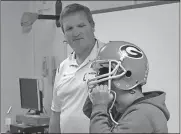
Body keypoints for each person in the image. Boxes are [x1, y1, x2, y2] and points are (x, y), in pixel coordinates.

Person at [83, 41, 170, 133]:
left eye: (106, 73)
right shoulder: (129, 109)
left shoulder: (143, 113)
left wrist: (100, 105)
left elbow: (98, 116)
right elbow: (90, 111)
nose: (103, 81)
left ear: (128, 75)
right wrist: (98, 96)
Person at [48, 3, 105, 133]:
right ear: (64, 35)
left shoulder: (110, 58)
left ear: (92, 26)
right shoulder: (63, 67)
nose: (75, 32)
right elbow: (56, 114)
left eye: (81, 25)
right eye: (69, 28)